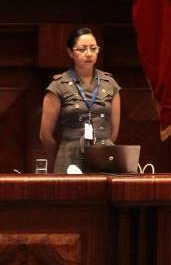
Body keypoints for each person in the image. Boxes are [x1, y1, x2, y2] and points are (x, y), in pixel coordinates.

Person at [39, 28, 121, 173]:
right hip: (68, 157)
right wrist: (58, 157)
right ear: (71, 52)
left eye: (93, 48)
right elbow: (45, 135)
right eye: (82, 49)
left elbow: (114, 133)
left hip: (104, 155)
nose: (89, 53)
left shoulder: (110, 84)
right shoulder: (58, 85)